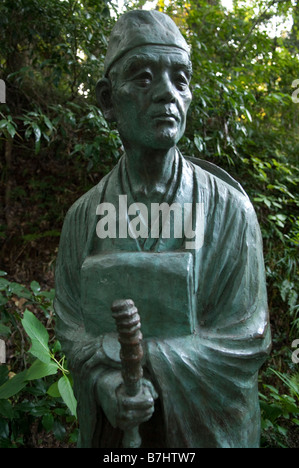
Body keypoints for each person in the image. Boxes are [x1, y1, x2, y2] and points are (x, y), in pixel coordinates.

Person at [54, 9, 271, 448]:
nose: (166, 94)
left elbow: (247, 339)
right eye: (144, 77)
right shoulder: (84, 216)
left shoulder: (230, 211)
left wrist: (143, 359)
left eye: (181, 79)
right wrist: (104, 385)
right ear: (107, 101)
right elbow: (71, 326)